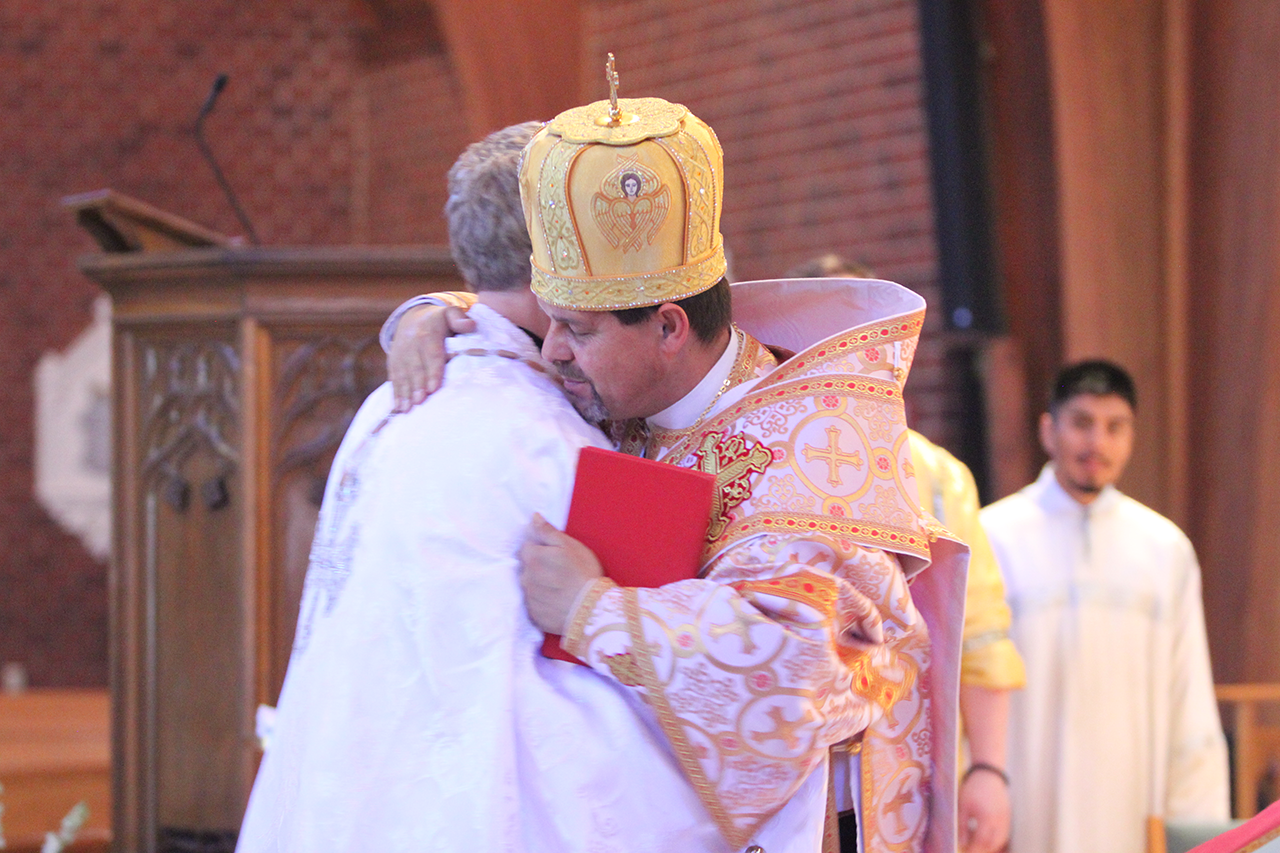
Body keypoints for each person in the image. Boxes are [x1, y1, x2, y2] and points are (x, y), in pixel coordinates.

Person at [387, 89, 968, 853]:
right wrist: (432, 314)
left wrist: (592, 609)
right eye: (548, 320)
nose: (551, 349)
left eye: (576, 329)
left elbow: (795, 669)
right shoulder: (620, 384)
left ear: (668, 325)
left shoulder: (817, 438)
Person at [236, 122, 705, 852]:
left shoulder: (390, 399)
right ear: (563, 248)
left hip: (336, 798)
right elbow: (631, 681)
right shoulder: (554, 440)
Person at [785, 255, 1026, 853]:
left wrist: (989, 770)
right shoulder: (761, 459)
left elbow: (980, 634)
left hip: (903, 758)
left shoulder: (938, 476)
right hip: (793, 764)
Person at [979, 359, 1229, 853]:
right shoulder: (993, 538)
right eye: (1082, 423)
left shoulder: (1164, 549)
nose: (1097, 444)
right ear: (1049, 430)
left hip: (1132, 808)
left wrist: (1195, 827)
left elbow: (1189, 694)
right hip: (1027, 805)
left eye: (1115, 427)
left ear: (1132, 437)